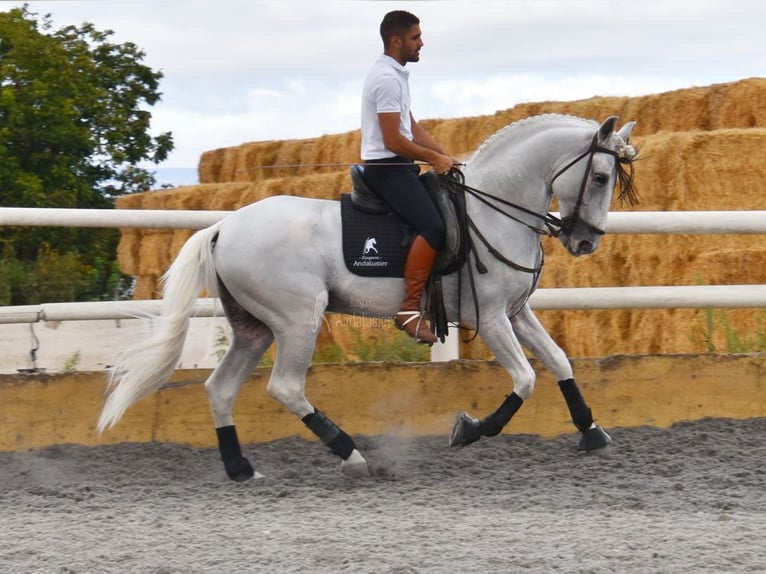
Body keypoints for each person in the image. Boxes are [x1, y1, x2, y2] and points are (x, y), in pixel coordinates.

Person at [360, 10, 459, 344]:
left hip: (398, 165)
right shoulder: (386, 79)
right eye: (416, 37)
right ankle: (409, 309)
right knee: (433, 226)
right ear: (396, 40)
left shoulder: (395, 74)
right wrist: (433, 158)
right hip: (387, 169)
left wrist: (446, 156)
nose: (421, 42)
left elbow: (412, 128)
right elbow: (393, 140)